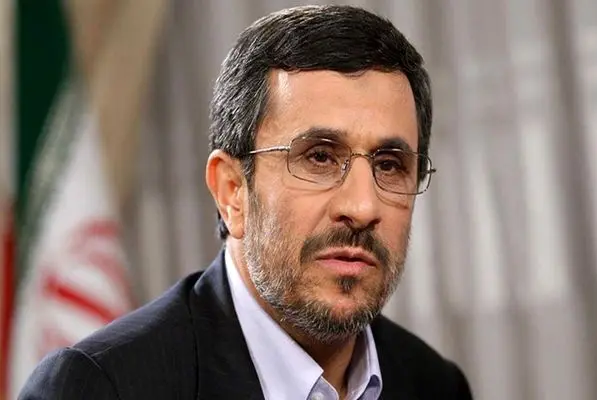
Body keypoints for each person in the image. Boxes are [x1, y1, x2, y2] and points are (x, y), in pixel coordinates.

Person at [20, 5, 472, 400]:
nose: (362, 206)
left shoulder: (435, 384)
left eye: (390, 165)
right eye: (319, 157)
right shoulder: (103, 386)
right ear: (231, 191)